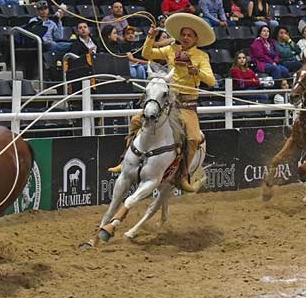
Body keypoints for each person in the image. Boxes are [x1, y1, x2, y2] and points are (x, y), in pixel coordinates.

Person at [109, 14, 216, 192]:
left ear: (196, 38)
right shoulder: (171, 49)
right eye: (183, 34)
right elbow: (147, 54)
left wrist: (196, 71)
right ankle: (124, 160)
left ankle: (183, 176)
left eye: (190, 35)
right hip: (169, 102)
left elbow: (211, 81)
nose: (185, 38)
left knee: (194, 138)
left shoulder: (201, 56)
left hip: (187, 105)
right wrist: (150, 36)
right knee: (136, 120)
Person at [67, 22, 97, 93]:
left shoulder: (96, 41)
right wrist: (88, 54)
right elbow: (74, 59)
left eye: (85, 27)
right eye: (80, 28)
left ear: (89, 30)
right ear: (77, 32)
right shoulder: (75, 44)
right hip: (85, 70)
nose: (83, 29)